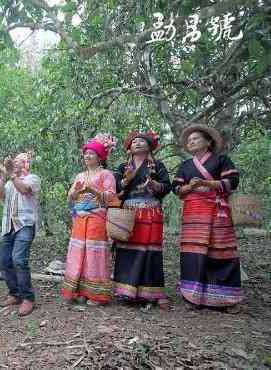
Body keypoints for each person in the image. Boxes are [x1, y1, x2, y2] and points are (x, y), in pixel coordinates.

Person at [172, 124, 243, 313]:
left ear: (208, 141)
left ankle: (226, 300)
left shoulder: (221, 159)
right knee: (193, 252)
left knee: (221, 251)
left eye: (195, 138)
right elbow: (177, 188)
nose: (191, 142)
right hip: (193, 213)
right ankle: (193, 297)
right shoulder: (186, 166)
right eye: (189, 140)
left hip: (217, 211)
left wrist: (206, 183)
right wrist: (190, 187)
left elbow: (232, 181)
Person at [113, 130, 171, 310]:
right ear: (129, 148)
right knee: (127, 250)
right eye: (134, 142)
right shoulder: (123, 167)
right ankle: (126, 292)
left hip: (151, 212)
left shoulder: (158, 165)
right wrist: (125, 181)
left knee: (150, 251)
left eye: (142, 141)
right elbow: (114, 188)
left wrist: (154, 184)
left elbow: (167, 186)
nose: (137, 143)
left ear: (149, 146)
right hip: (129, 213)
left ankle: (150, 293)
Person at [61, 134, 117, 306]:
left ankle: (96, 294)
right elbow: (71, 196)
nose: (87, 156)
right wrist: (76, 191)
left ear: (100, 157)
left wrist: (93, 190)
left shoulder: (106, 174)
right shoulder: (80, 175)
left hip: (96, 217)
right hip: (79, 218)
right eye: (86, 153)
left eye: (91, 153)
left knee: (94, 253)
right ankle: (80, 291)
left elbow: (110, 196)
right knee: (79, 253)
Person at [0, 152, 41, 316]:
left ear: (26, 164)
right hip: (8, 226)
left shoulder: (33, 179)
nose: (14, 163)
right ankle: (15, 293)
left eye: (18, 161)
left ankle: (28, 298)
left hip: (25, 225)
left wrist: (12, 175)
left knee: (19, 259)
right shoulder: (8, 183)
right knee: (3, 260)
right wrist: (3, 176)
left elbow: (23, 190)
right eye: (13, 161)